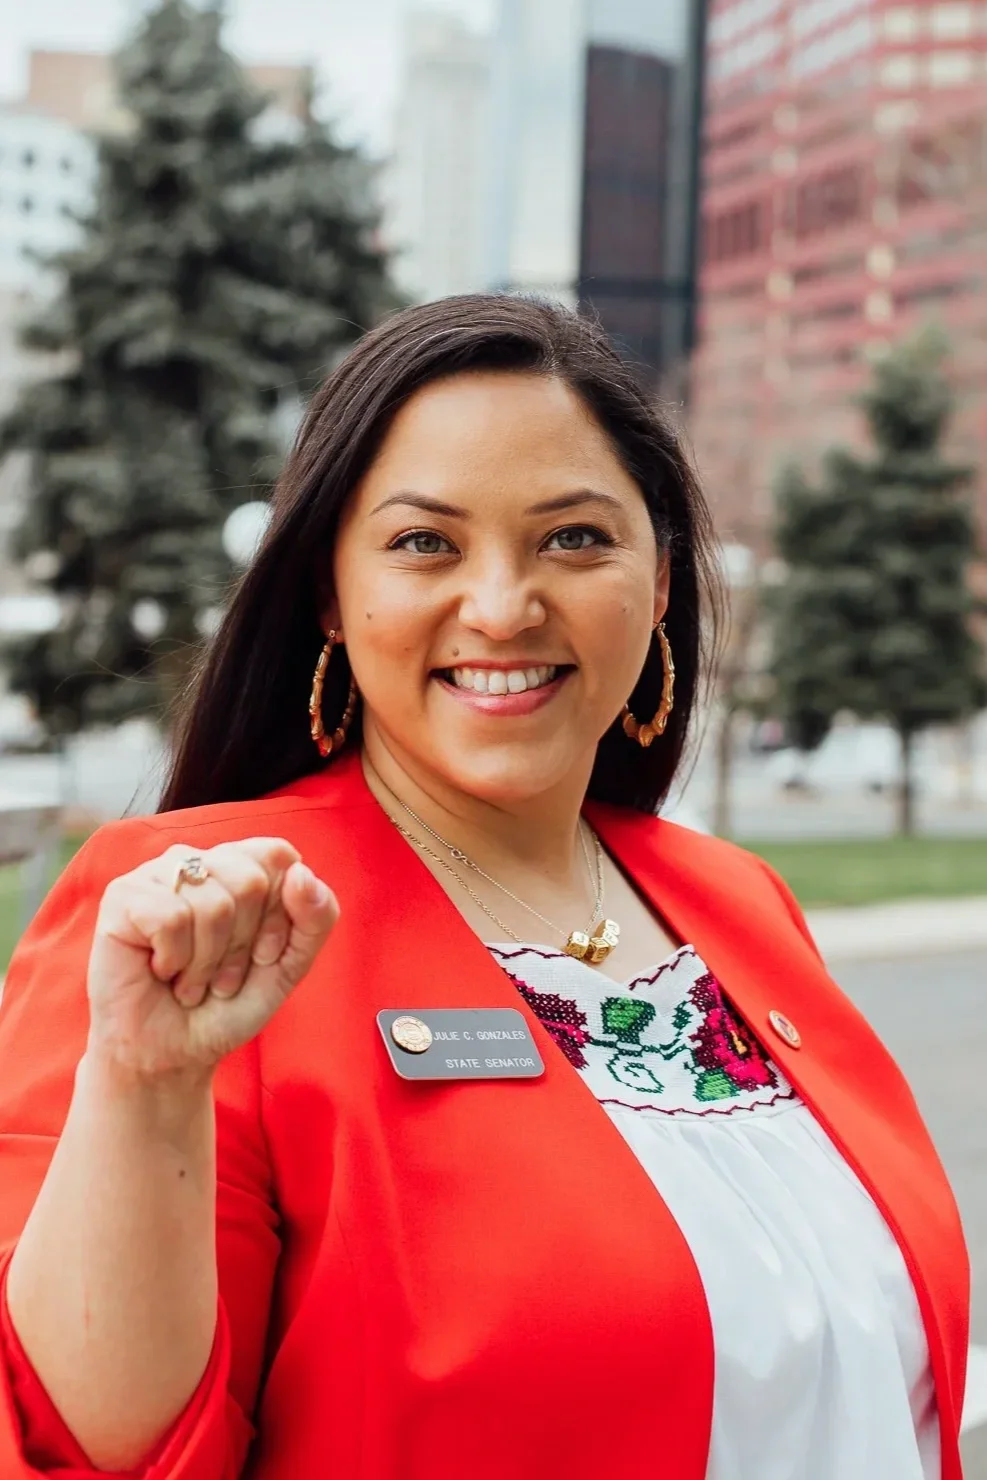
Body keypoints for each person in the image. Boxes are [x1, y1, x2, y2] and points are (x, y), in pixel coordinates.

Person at [0, 296, 969, 1480]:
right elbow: (89, 1450)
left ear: (659, 581)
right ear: (329, 594)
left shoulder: (738, 900)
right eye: (426, 544)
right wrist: (145, 1084)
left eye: (574, 538)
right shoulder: (197, 913)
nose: (504, 606)